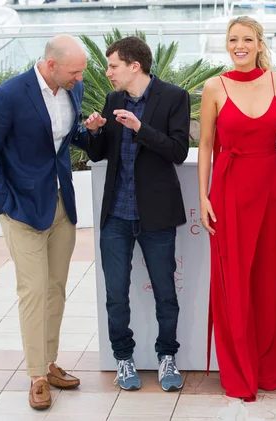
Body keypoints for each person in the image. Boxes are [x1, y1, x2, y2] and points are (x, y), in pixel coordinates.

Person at [0, 34, 88, 410]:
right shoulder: (7, 96)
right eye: (74, 71)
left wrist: (92, 129)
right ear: (51, 65)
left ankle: (50, 361)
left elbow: (65, 138)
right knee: (34, 289)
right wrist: (5, 203)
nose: (79, 78)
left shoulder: (72, 88)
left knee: (56, 287)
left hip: (60, 203)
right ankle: (37, 376)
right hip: (22, 208)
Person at [83, 36, 190, 392]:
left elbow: (177, 150)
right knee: (115, 293)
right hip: (116, 214)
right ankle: (123, 360)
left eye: (113, 65)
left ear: (134, 66)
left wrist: (139, 128)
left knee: (165, 292)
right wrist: (93, 132)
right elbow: (100, 154)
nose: (108, 72)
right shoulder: (113, 99)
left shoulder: (174, 97)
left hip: (156, 214)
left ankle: (167, 357)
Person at [197, 16, 276, 402]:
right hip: (229, 190)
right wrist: (202, 196)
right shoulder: (214, 86)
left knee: (269, 281)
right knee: (233, 282)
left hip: (272, 190)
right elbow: (205, 144)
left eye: (247, 39)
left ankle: (270, 371)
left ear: (259, 43)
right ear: (227, 44)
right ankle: (239, 372)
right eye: (233, 39)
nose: (240, 45)